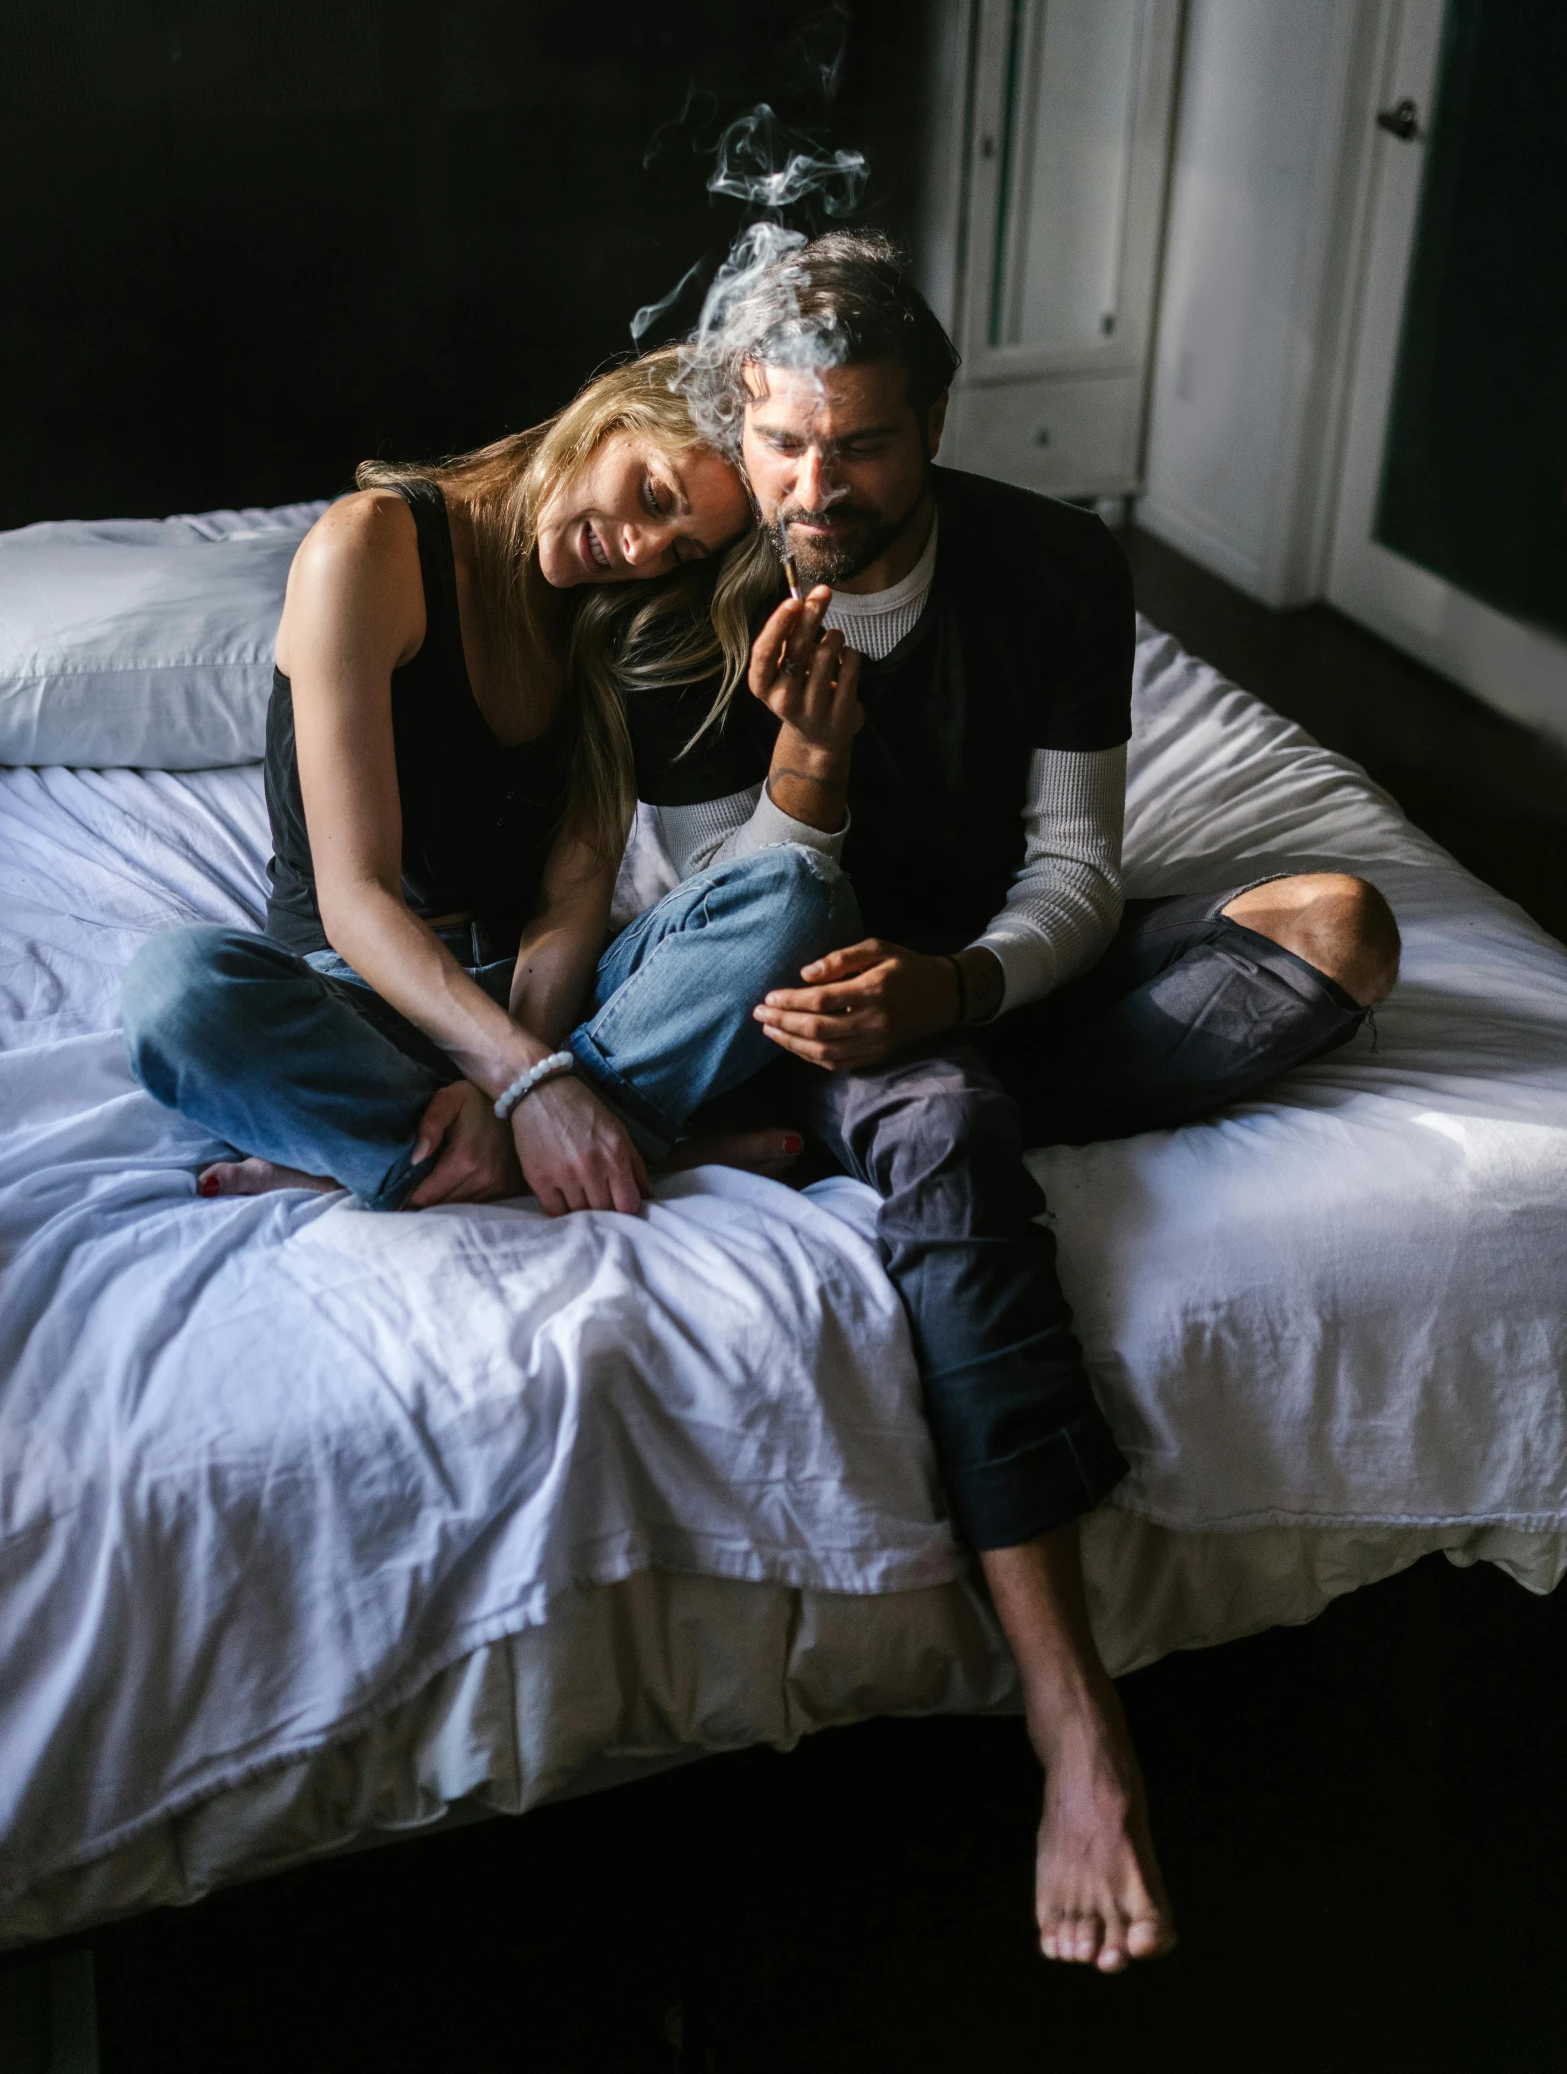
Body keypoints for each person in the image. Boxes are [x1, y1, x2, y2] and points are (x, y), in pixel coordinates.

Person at [628, 230, 1402, 1973]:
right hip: (811, 1003)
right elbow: (713, 928)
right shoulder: (684, 606)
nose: (815, 487)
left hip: (982, 976)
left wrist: (962, 989)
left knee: (1339, 928)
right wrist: (807, 797)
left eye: (864, 446)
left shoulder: (1053, 568)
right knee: (944, 1116)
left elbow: (1072, 865)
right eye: (780, 446)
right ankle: (1075, 1721)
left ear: (937, 427)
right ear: (738, 430)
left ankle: (934, 1118)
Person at [123, 350, 860, 1215]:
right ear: (611, 415)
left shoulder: (608, 621)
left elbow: (573, 900)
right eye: (655, 497)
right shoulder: (367, 548)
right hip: (364, 995)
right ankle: (608, 1132)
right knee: (178, 994)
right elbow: (354, 897)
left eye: (679, 550)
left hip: (547, 1001)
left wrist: (531, 1073)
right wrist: (534, 1086)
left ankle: (425, 1152)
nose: (641, 551)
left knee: (798, 895)